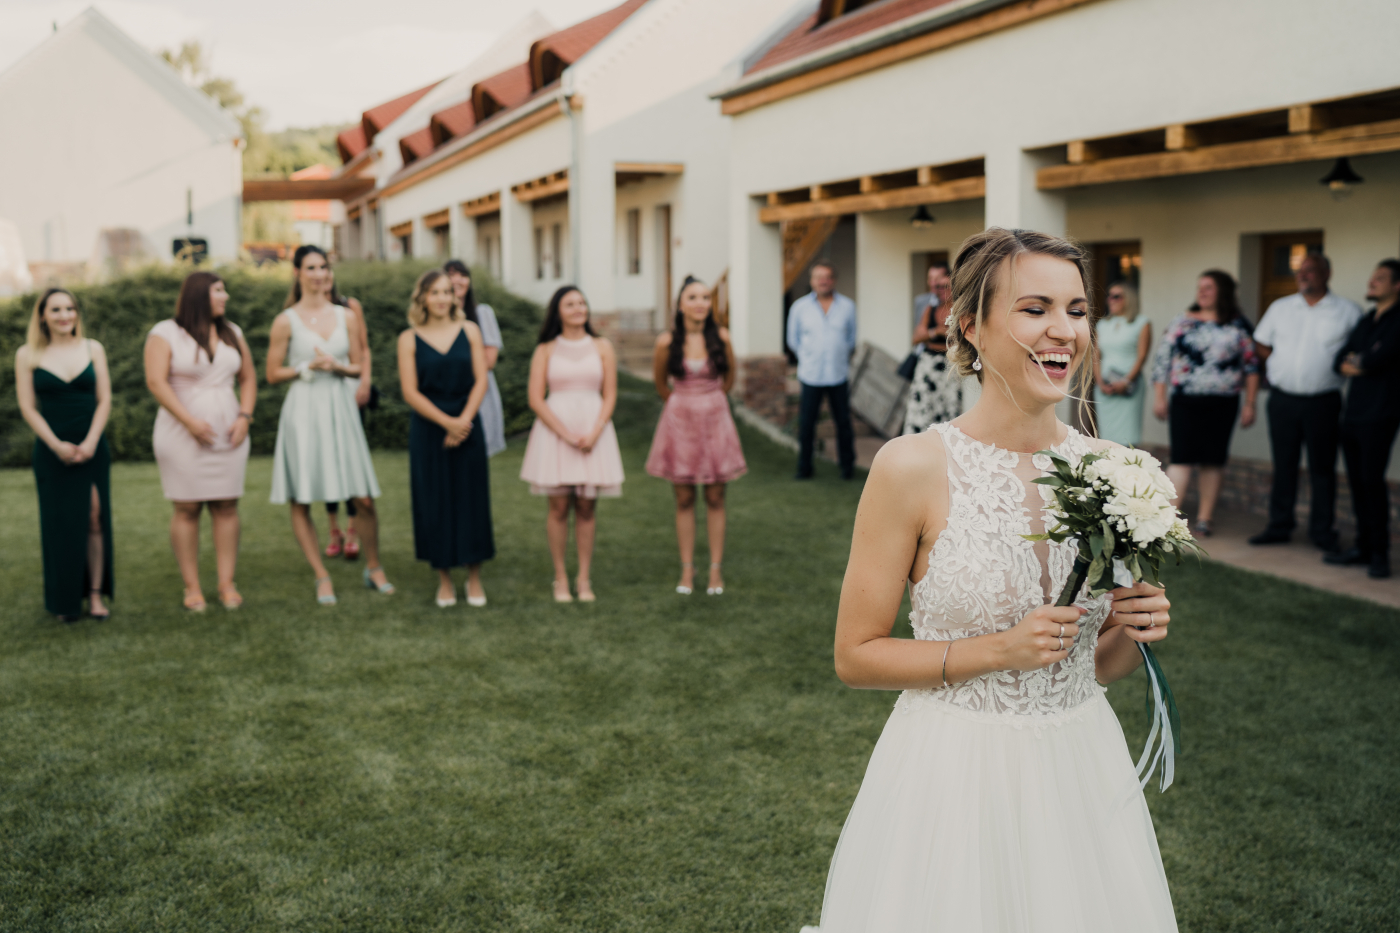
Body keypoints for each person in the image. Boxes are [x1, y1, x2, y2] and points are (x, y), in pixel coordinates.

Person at [817, 227, 1177, 933]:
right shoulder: (912, 466)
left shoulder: (1111, 468)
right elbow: (855, 655)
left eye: (1077, 310)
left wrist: (1134, 634)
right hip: (952, 776)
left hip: (1079, 767)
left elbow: (1089, 666)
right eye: (1035, 308)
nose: (1064, 330)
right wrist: (998, 650)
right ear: (970, 326)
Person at [267, 245, 393, 604]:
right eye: (311, 267)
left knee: (363, 497)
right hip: (303, 409)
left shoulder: (346, 315)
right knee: (301, 497)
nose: (319, 274)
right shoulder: (285, 320)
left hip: (340, 406)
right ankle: (321, 575)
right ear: (297, 273)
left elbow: (359, 364)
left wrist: (338, 367)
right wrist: (306, 367)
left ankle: (374, 567)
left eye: (323, 267)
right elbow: (272, 373)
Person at [144, 272, 257, 611]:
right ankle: (192, 586)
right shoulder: (165, 332)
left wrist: (244, 417)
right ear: (198, 294)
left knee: (226, 505)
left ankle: (226, 583)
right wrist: (190, 422)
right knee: (187, 507)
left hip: (229, 435)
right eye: (219, 291)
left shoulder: (232, 332)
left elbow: (248, 378)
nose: (225, 297)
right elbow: (156, 381)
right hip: (181, 434)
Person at [1250, 252, 1363, 549]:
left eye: (1310, 270)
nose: (1302, 275)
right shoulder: (1280, 307)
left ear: (1327, 274)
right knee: (1283, 465)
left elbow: (1358, 351)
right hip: (1283, 400)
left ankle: (1322, 532)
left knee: (1322, 469)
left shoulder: (1348, 311)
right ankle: (1279, 525)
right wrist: (1277, 363)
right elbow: (1261, 342)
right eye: (1300, 270)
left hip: (1323, 403)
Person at [519, 286, 624, 603]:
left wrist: (595, 432)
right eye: (570, 304)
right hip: (556, 433)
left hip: (594, 430)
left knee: (587, 507)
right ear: (558, 311)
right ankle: (561, 577)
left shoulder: (602, 346)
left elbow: (610, 394)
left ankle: (584, 578)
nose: (578, 308)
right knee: (559, 507)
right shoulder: (546, 349)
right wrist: (564, 434)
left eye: (582, 303)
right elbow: (535, 398)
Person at [14, 288, 113, 622]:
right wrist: (56, 445)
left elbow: (105, 399)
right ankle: (65, 600)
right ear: (42, 316)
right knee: (60, 524)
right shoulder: (27, 354)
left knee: (95, 518)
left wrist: (91, 441)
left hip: (92, 445)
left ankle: (95, 595)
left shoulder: (93, 348)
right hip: (51, 449)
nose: (64, 315)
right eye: (56, 309)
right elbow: (28, 407)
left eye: (70, 308)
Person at [398, 269, 495, 607]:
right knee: (433, 501)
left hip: (467, 423)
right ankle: (444, 579)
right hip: (429, 428)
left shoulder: (470, 330)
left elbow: (481, 380)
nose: (441, 298)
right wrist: (446, 424)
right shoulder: (408, 338)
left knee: (472, 500)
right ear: (422, 298)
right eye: (434, 292)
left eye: (446, 292)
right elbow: (410, 392)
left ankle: (474, 577)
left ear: (455, 297)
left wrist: (462, 422)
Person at [646, 276, 747, 596]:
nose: (700, 303)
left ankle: (715, 570)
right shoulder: (666, 342)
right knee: (684, 498)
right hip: (680, 423)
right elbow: (661, 384)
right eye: (693, 297)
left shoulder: (722, 337)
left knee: (716, 497)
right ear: (680, 305)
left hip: (715, 421)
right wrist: (684, 403)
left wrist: (709, 400)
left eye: (705, 297)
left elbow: (729, 379)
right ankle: (687, 569)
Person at [1149, 271, 1259, 536]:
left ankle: (1204, 519)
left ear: (1223, 291)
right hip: (1185, 400)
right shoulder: (1182, 321)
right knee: (1181, 458)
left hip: (1223, 403)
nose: (1202, 292)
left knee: (1213, 460)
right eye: (1200, 287)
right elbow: (1162, 361)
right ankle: (1168, 520)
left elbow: (1252, 365)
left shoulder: (1238, 324)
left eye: (1208, 287)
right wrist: (1159, 396)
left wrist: (1250, 403)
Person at [1327, 258, 1400, 578]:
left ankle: (1380, 554)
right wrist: (1362, 362)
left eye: (1380, 278)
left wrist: (1361, 361)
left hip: (1381, 414)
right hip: (1353, 413)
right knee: (1357, 482)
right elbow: (1338, 360)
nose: (1372, 282)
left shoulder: (1397, 320)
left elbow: (1378, 358)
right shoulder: (1367, 319)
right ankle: (1363, 546)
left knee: (1372, 481)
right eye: (1373, 277)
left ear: (1397, 285)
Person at [320, 266, 372, 561]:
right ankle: (333, 529)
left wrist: (365, 382)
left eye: (325, 271)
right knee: (326, 461)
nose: (322, 278)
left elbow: (363, 349)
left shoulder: (350, 307)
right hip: (320, 394)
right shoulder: (301, 313)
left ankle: (352, 529)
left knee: (350, 461)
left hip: (349, 388)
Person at [787, 261, 857, 479]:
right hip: (811, 375)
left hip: (838, 374)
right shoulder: (799, 307)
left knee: (843, 423)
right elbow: (793, 340)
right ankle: (804, 468)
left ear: (833, 280)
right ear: (812, 281)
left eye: (827, 277)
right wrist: (808, 357)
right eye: (818, 277)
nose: (823, 281)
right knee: (807, 424)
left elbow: (851, 339)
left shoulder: (847, 306)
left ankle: (848, 467)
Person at [445, 260, 507, 457]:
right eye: (451, 275)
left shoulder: (482, 313)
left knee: (476, 451)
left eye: (463, 275)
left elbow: (489, 361)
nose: (457, 280)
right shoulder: (438, 318)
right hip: (446, 392)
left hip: (479, 391)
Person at [901, 263, 961, 435]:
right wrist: (937, 331)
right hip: (929, 364)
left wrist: (933, 336)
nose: (941, 290)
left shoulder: (960, 309)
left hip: (950, 365)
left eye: (945, 286)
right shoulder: (931, 308)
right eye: (938, 286)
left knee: (949, 409)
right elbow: (917, 337)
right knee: (922, 409)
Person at [1094, 282, 1151, 447]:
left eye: (1116, 296)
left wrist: (1126, 381)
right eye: (1109, 296)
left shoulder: (1142, 323)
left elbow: (1142, 356)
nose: (1110, 300)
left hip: (1129, 387)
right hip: (1105, 387)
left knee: (1128, 439)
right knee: (1106, 439)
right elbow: (1095, 356)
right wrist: (1100, 383)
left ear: (1129, 299)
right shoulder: (1102, 324)